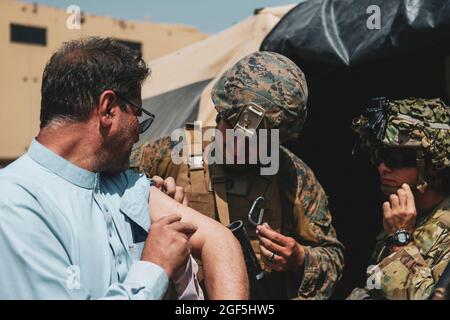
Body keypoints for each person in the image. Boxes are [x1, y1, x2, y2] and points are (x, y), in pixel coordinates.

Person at [0, 37, 248, 300]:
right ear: (108, 109)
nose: (138, 135)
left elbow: (218, 241)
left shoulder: (119, 183)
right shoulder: (15, 205)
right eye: (137, 115)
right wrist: (154, 267)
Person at [131, 51, 344, 299]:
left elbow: (333, 258)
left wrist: (299, 258)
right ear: (221, 112)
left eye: (254, 141)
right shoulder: (168, 155)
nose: (237, 145)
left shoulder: (292, 175)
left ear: (277, 140)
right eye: (231, 129)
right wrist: (148, 201)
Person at [349, 97, 450, 299]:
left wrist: (400, 241)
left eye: (396, 158)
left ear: (432, 165)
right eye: (380, 156)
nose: (383, 168)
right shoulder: (403, 218)